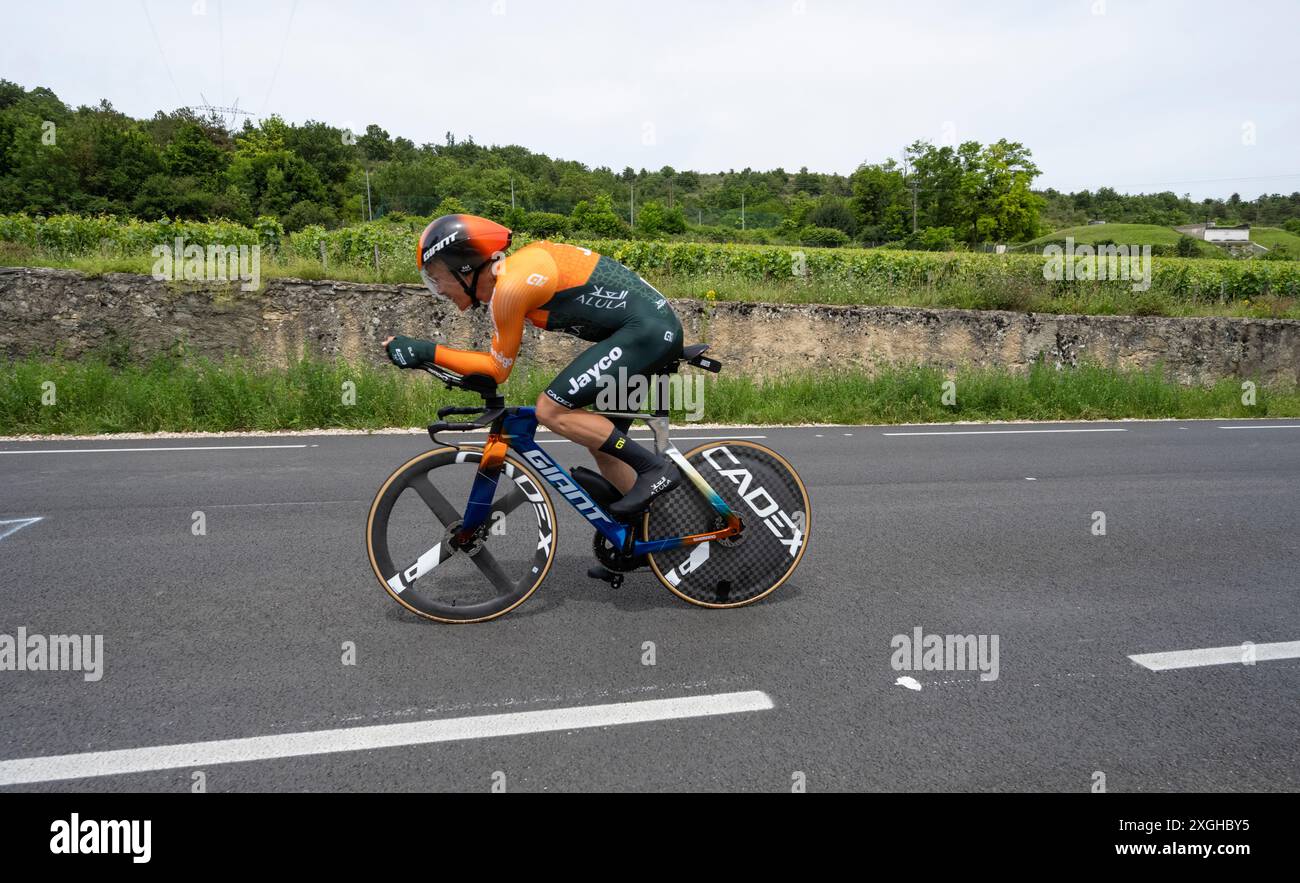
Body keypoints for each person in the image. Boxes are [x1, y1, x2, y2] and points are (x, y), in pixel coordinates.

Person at [383, 213, 684, 520]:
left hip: (648, 332)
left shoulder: (512, 287)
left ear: (464, 266)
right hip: (644, 331)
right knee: (604, 445)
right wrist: (427, 355)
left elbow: (496, 370)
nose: (438, 288)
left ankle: (654, 468)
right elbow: (493, 367)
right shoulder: (513, 276)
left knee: (551, 410)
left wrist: (425, 350)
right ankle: (651, 537)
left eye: (436, 276)